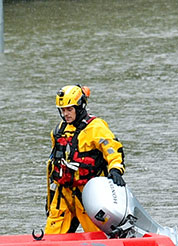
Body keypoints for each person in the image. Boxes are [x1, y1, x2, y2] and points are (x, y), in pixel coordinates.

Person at [45, 84, 125, 234]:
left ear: (80, 107)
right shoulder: (58, 131)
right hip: (64, 194)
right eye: (63, 110)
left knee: (98, 234)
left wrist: (115, 169)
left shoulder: (96, 128)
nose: (65, 114)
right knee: (51, 236)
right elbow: (53, 164)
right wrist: (49, 199)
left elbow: (113, 150)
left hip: (89, 193)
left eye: (70, 109)